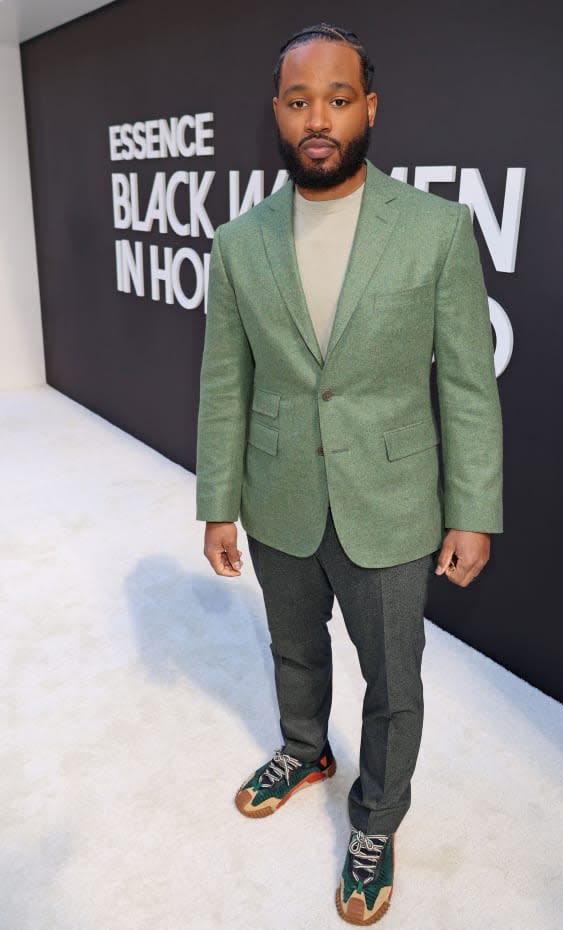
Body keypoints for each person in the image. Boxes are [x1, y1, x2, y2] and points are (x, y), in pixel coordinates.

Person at [195, 22, 503, 926]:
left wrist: (473, 511)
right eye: (299, 101)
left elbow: (470, 389)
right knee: (293, 647)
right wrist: (217, 503)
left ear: (369, 108)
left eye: (336, 98)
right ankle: (305, 747)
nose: (317, 118)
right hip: (277, 492)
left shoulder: (439, 231)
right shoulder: (238, 243)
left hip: (395, 501)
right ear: (278, 114)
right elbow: (225, 388)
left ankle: (378, 817)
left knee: (392, 678)